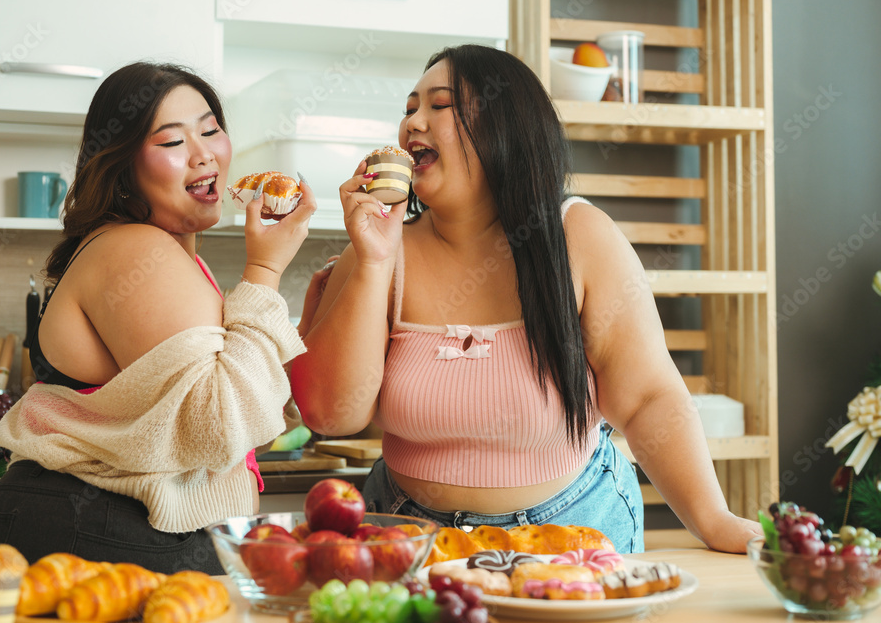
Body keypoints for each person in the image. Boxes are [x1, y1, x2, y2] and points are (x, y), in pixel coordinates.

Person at [290, 44, 761, 554]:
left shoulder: (578, 235)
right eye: (408, 109)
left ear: (505, 126)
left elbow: (648, 399)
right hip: (409, 532)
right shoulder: (378, 247)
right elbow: (331, 414)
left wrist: (713, 519)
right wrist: (372, 262)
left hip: (577, 524)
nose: (412, 124)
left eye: (440, 105)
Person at [0, 62, 316, 574]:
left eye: (211, 129)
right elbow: (218, 425)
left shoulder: (164, 255)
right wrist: (264, 268)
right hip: (93, 540)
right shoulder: (136, 249)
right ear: (123, 166)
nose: (204, 153)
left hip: (107, 536)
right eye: (172, 143)